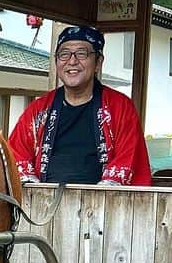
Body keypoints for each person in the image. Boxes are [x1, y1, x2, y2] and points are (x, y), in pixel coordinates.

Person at [8, 25, 151, 186]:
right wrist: (34, 189)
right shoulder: (38, 110)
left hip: (104, 205)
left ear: (98, 62)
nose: (72, 61)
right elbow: (15, 154)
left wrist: (103, 194)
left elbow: (128, 158)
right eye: (64, 54)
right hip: (45, 204)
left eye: (82, 54)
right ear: (56, 62)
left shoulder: (120, 107)